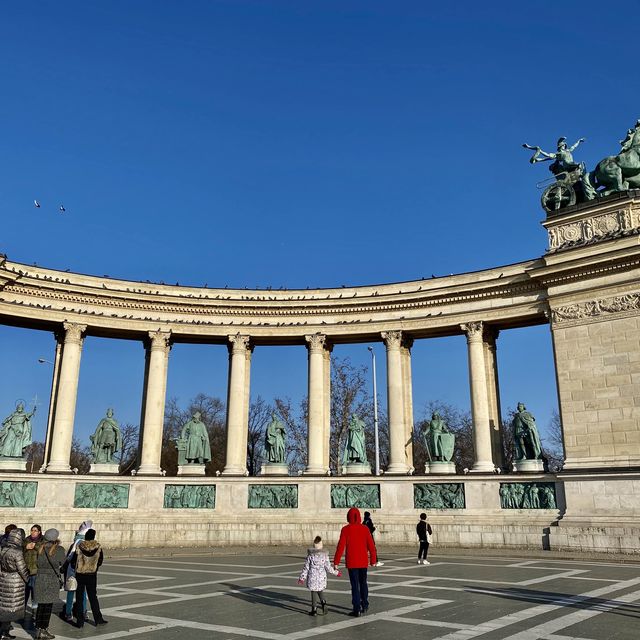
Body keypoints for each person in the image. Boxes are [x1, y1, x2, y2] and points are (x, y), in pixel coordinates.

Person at [333, 507, 377, 617]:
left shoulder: (345, 529)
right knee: (363, 583)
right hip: (363, 561)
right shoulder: (365, 529)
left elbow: (340, 547)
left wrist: (336, 562)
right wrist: (373, 560)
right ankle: (365, 604)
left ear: (348, 517)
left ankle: (356, 608)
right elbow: (371, 546)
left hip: (352, 562)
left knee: (354, 585)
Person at [34, 529, 66, 639]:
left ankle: (38, 630)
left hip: (40, 579)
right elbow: (63, 563)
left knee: (41, 606)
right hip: (52, 580)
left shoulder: (39, 549)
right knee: (48, 607)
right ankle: (44, 629)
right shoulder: (59, 549)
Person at [297, 536, 341, 616]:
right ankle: (323, 603)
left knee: (313, 592)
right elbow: (328, 568)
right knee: (320, 591)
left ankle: (314, 610)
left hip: (312, 577)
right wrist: (336, 573)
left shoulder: (310, 556)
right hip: (321, 577)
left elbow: (306, 568)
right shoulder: (324, 556)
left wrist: (302, 578)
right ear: (321, 546)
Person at [72, 529, 107, 628]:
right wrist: (94, 568)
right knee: (93, 597)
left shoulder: (80, 546)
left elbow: (75, 560)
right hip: (92, 575)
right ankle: (98, 619)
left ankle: (80, 622)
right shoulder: (98, 547)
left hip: (80, 574)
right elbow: (100, 560)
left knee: (79, 598)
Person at [60, 520, 92, 623]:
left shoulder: (78, 542)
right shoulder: (92, 543)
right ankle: (84, 612)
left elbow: (70, 556)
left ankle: (68, 613)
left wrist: (64, 565)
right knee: (82, 593)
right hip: (85, 572)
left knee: (71, 592)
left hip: (74, 571)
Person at [0, 527, 29, 640]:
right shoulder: (17, 552)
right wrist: (27, 578)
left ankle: (4, 631)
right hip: (14, 582)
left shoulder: (4, 549)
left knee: (4, 606)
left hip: (4, 579)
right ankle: (4, 632)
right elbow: (22, 569)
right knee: (11, 608)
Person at [24, 525, 43, 614]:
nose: (33, 532)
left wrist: (35, 546)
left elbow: (42, 552)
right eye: (32, 530)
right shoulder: (26, 540)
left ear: (39, 532)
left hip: (36, 571)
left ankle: (34, 611)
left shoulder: (42, 541)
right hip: (26, 570)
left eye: (35, 530)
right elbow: (21, 549)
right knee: (25, 592)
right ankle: (22, 609)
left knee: (35, 592)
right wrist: (25, 547)